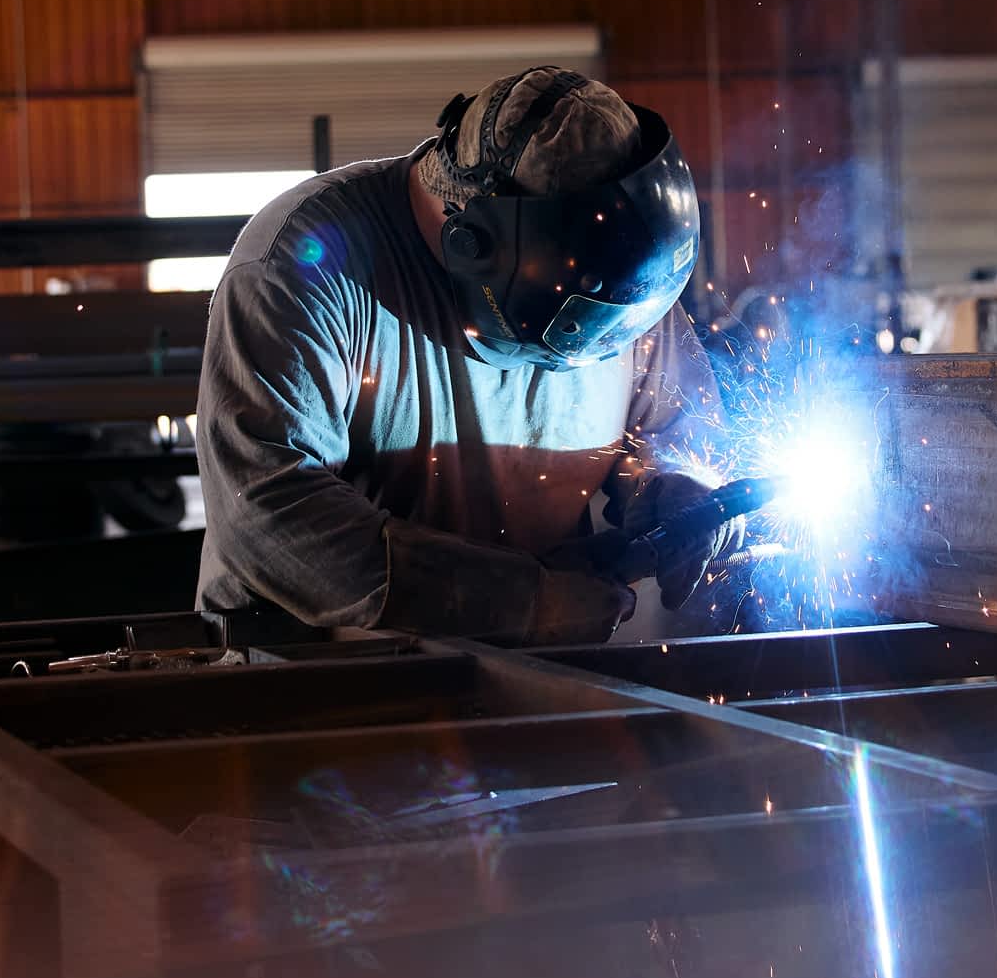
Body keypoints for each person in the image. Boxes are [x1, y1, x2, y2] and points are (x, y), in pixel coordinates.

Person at [196, 67, 736, 644]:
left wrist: (674, 488)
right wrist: (518, 602)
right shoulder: (302, 268)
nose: (609, 345)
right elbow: (268, 513)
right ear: (478, 246)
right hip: (319, 680)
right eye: (579, 323)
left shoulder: (616, 273)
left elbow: (676, 429)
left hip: (535, 673)